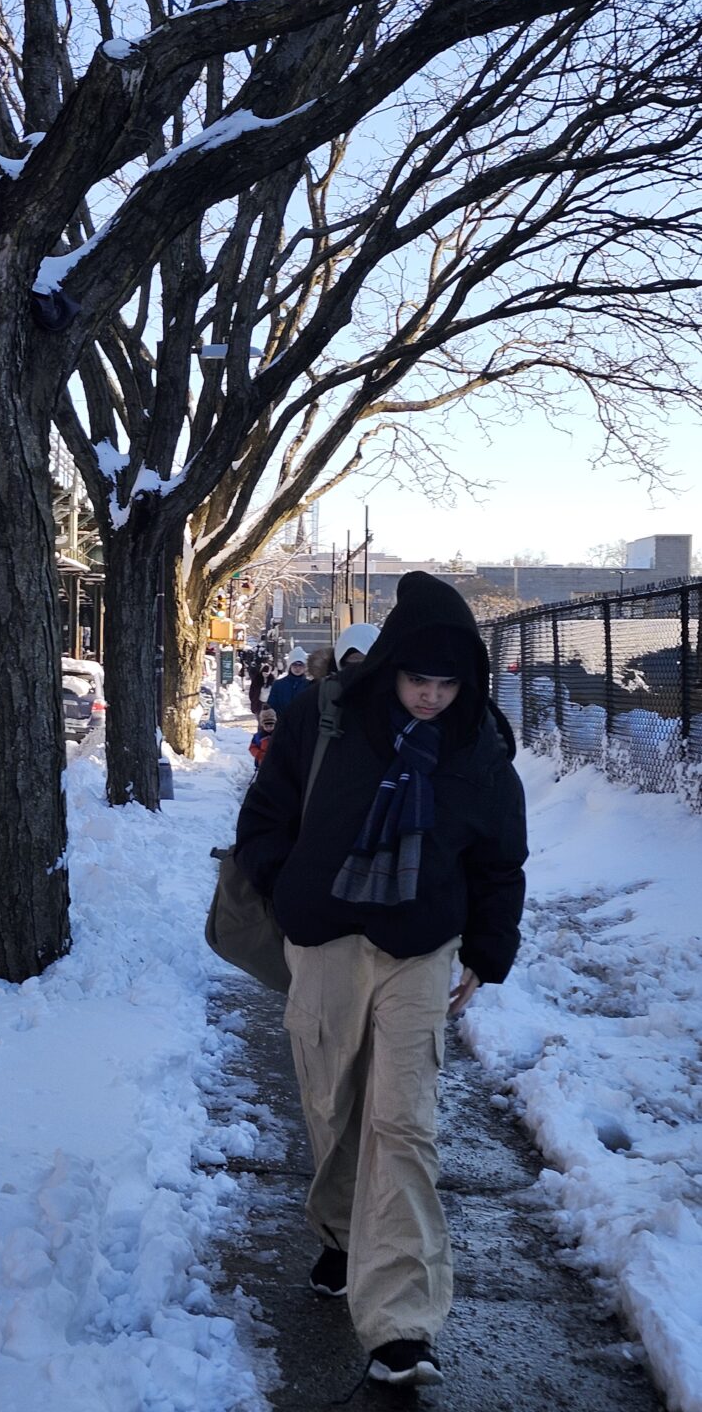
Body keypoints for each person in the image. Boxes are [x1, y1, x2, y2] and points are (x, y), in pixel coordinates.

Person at [234, 572, 527, 1391]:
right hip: (325, 938)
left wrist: (487, 949)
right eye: (417, 679)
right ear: (390, 666)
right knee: (333, 1104)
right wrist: (283, 884)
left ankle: (401, 1325)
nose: (431, 697)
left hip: (420, 947)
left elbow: (501, 857)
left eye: (446, 683)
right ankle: (339, 1231)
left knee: (404, 1125)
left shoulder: (480, 744)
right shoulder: (324, 718)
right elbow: (263, 820)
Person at [266, 646, 310, 713]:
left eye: (300, 665)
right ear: (290, 666)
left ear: (305, 667)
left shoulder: (310, 686)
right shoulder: (278, 684)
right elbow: (271, 705)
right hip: (282, 721)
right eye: (294, 665)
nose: (297, 668)